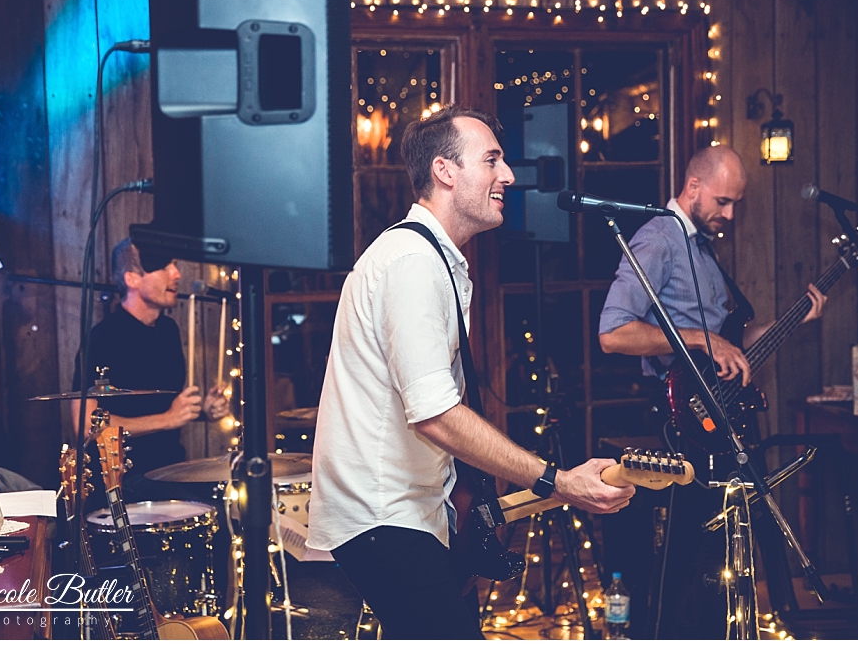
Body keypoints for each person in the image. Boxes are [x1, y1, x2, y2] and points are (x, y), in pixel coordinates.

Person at [307, 106, 635, 640]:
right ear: (445, 171)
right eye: (492, 160)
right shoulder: (411, 262)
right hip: (382, 516)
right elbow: (435, 414)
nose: (508, 175)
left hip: (411, 513)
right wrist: (556, 480)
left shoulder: (431, 258)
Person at [597, 144, 826, 638]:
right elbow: (612, 333)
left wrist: (794, 320)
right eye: (723, 201)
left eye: (736, 204)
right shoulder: (659, 238)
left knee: (717, 559)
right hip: (679, 421)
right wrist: (703, 339)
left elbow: (732, 342)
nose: (730, 214)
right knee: (686, 560)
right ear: (693, 187)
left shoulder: (701, 246)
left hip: (716, 419)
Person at [71, 238, 230, 504]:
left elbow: (162, 407)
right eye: (163, 266)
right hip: (123, 480)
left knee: (235, 499)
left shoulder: (168, 330)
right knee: (207, 511)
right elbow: (85, 425)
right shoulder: (104, 338)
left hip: (170, 469)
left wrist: (202, 411)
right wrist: (168, 419)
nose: (176, 274)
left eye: (175, 265)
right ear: (132, 279)